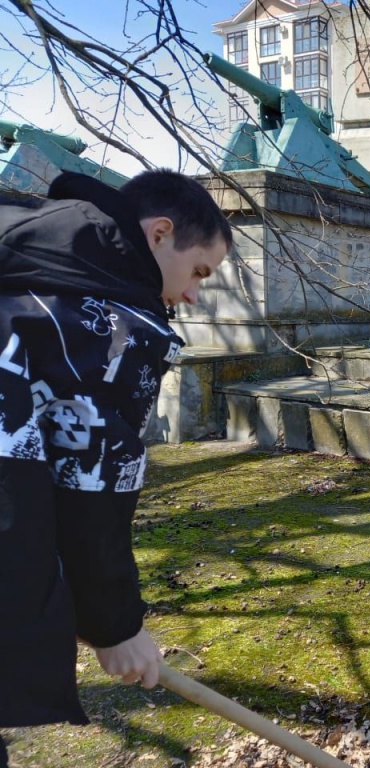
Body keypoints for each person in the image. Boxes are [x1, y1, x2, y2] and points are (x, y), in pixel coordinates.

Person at [0, 170, 231, 764]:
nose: (192, 295)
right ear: (159, 234)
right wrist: (115, 626)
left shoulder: (26, 270)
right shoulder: (108, 325)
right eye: (199, 272)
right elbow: (93, 486)